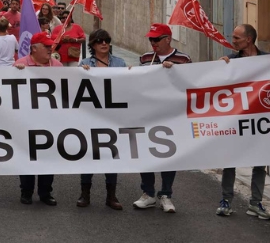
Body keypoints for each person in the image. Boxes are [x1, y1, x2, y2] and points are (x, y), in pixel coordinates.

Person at [133, 23, 190, 214]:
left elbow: (189, 85)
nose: (153, 42)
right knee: (145, 153)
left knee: (168, 154)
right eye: (151, 39)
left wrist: (174, 72)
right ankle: (148, 193)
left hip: (171, 115)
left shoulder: (183, 59)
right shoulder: (145, 58)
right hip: (148, 114)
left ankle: (166, 194)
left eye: (156, 39)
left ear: (167, 39)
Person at [216, 24, 268, 219]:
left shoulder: (266, 61)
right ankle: (226, 200)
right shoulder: (231, 61)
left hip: (259, 121)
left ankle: (255, 203)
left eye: (237, 38)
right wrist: (220, 68)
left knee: (260, 161)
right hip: (236, 120)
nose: (233, 41)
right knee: (230, 160)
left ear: (249, 39)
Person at [77, 29, 126, 210]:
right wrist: (81, 73)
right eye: (99, 41)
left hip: (112, 118)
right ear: (92, 45)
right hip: (90, 117)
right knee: (88, 155)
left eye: (106, 40)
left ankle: (111, 196)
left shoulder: (120, 64)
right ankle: (85, 194)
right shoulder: (84, 64)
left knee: (111, 155)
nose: (104, 44)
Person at [14, 32, 61, 206]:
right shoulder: (20, 65)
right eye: (46, 46)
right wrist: (15, 74)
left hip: (50, 121)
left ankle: (45, 192)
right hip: (26, 121)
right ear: (34, 49)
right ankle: (26, 191)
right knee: (27, 156)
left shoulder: (57, 66)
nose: (50, 49)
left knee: (47, 157)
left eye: (51, 46)